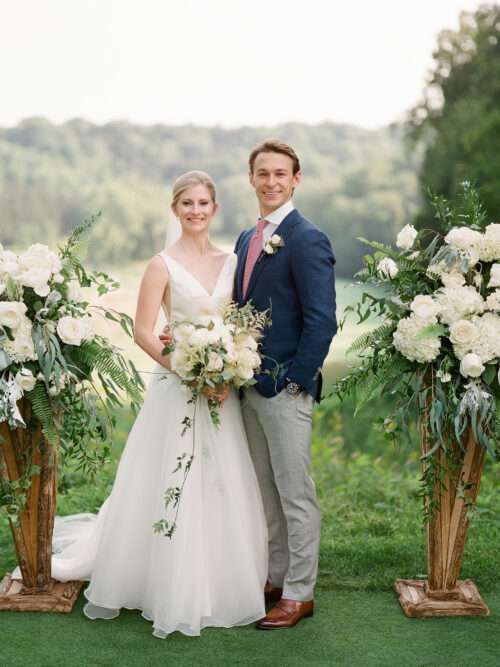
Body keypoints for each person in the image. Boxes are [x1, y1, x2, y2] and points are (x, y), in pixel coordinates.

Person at [48, 171, 268, 639]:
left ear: (215, 208)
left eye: (203, 203)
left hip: (221, 392)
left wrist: (225, 371)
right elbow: (143, 331)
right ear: (175, 210)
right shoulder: (160, 265)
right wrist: (188, 369)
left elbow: (238, 326)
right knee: (172, 476)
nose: (195, 211)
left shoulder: (232, 262)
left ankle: (219, 582)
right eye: (186, 203)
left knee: (221, 481)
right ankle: (164, 581)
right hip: (177, 386)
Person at [235, 139, 337, 629]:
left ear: (296, 179)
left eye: (281, 173)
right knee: (265, 491)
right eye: (263, 173)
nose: (271, 182)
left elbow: (322, 320)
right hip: (246, 387)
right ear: (251, 179)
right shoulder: (245, 239)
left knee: (295, 492)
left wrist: (296, 380)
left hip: (286, 389)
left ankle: (300, 593)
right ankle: (275, 579)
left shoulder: (306, 238)